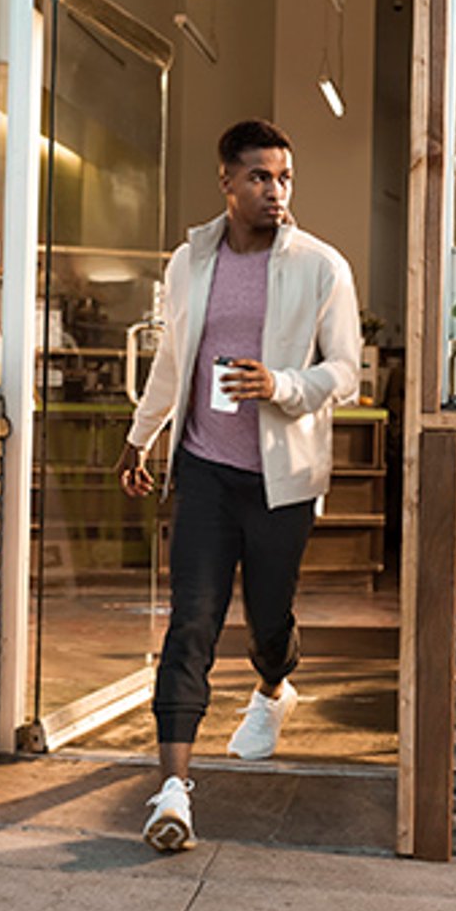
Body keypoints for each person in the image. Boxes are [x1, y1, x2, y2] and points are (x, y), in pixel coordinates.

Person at [114, 118, 361, 853]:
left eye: (283, 177)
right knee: (191, 620)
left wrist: (280, 383)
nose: (274, 191)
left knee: (267, 619)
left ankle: (274, 687)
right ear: (226, 181)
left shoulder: (322, 266)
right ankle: (173, 792)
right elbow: (172, 358)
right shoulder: (189, 262)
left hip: (280, 480)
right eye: (259, 177)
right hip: (206, 472)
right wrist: (141, 436)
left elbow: (346, 372)